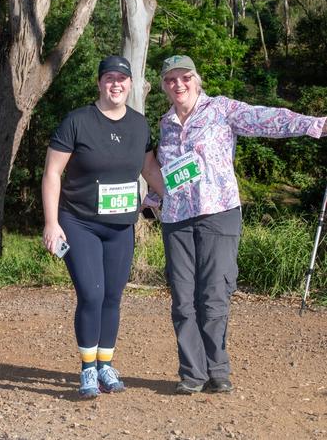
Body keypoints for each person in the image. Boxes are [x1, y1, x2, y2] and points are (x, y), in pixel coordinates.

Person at [156, 55, 327, 395]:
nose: (179, 84)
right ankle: (192, 373)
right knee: (183, 298)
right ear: (164, 86)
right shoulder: (165, 123)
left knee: (214, 294)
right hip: (176, 219)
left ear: (197, 79)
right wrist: (148, 198)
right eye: (171, 80)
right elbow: (165, 172)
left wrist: (314, 125)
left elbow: (266, 118)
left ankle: (217, 370)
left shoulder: (221, 110)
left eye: (185, 77)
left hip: (218, 213)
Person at [42, 55, 164, 399]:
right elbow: (52, 174)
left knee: (112, 296)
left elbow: (149, 170)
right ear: (99, 83)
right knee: (92, 293)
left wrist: (173, 195)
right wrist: (52, 224)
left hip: (121, 227)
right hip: (79, 222)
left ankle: (106, 364)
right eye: (109, 78)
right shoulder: (77, 121)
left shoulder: (140, 125)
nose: (116, 84)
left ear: (130, 84)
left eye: (122, 79)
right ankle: (87, 369)